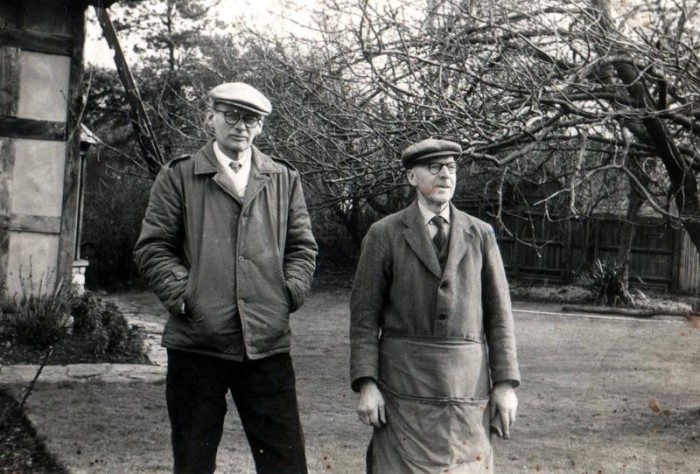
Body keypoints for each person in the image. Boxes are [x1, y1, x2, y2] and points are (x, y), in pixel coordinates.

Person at [134, 82, 317, 474]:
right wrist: (186, 295)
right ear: (210, 117)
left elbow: (303, 247)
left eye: (251, 118)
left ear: (261, 127)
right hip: (197, 343)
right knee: (194, 462)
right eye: (230, 114)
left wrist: (288, 293)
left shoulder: (284, 179)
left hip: (266, 344)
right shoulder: (179, 175)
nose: (241, 125)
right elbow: (152, 246)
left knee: (286, 463)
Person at [349, 138, 520, 473]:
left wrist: (505, 385)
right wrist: (367, 384)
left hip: (467, 390)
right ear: (412, 177)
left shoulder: (480, 234)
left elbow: (500, 318)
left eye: (452, 167)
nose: (446, 175)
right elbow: (364, 320)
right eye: (434, 167)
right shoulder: (384, 234)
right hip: (403, 389)